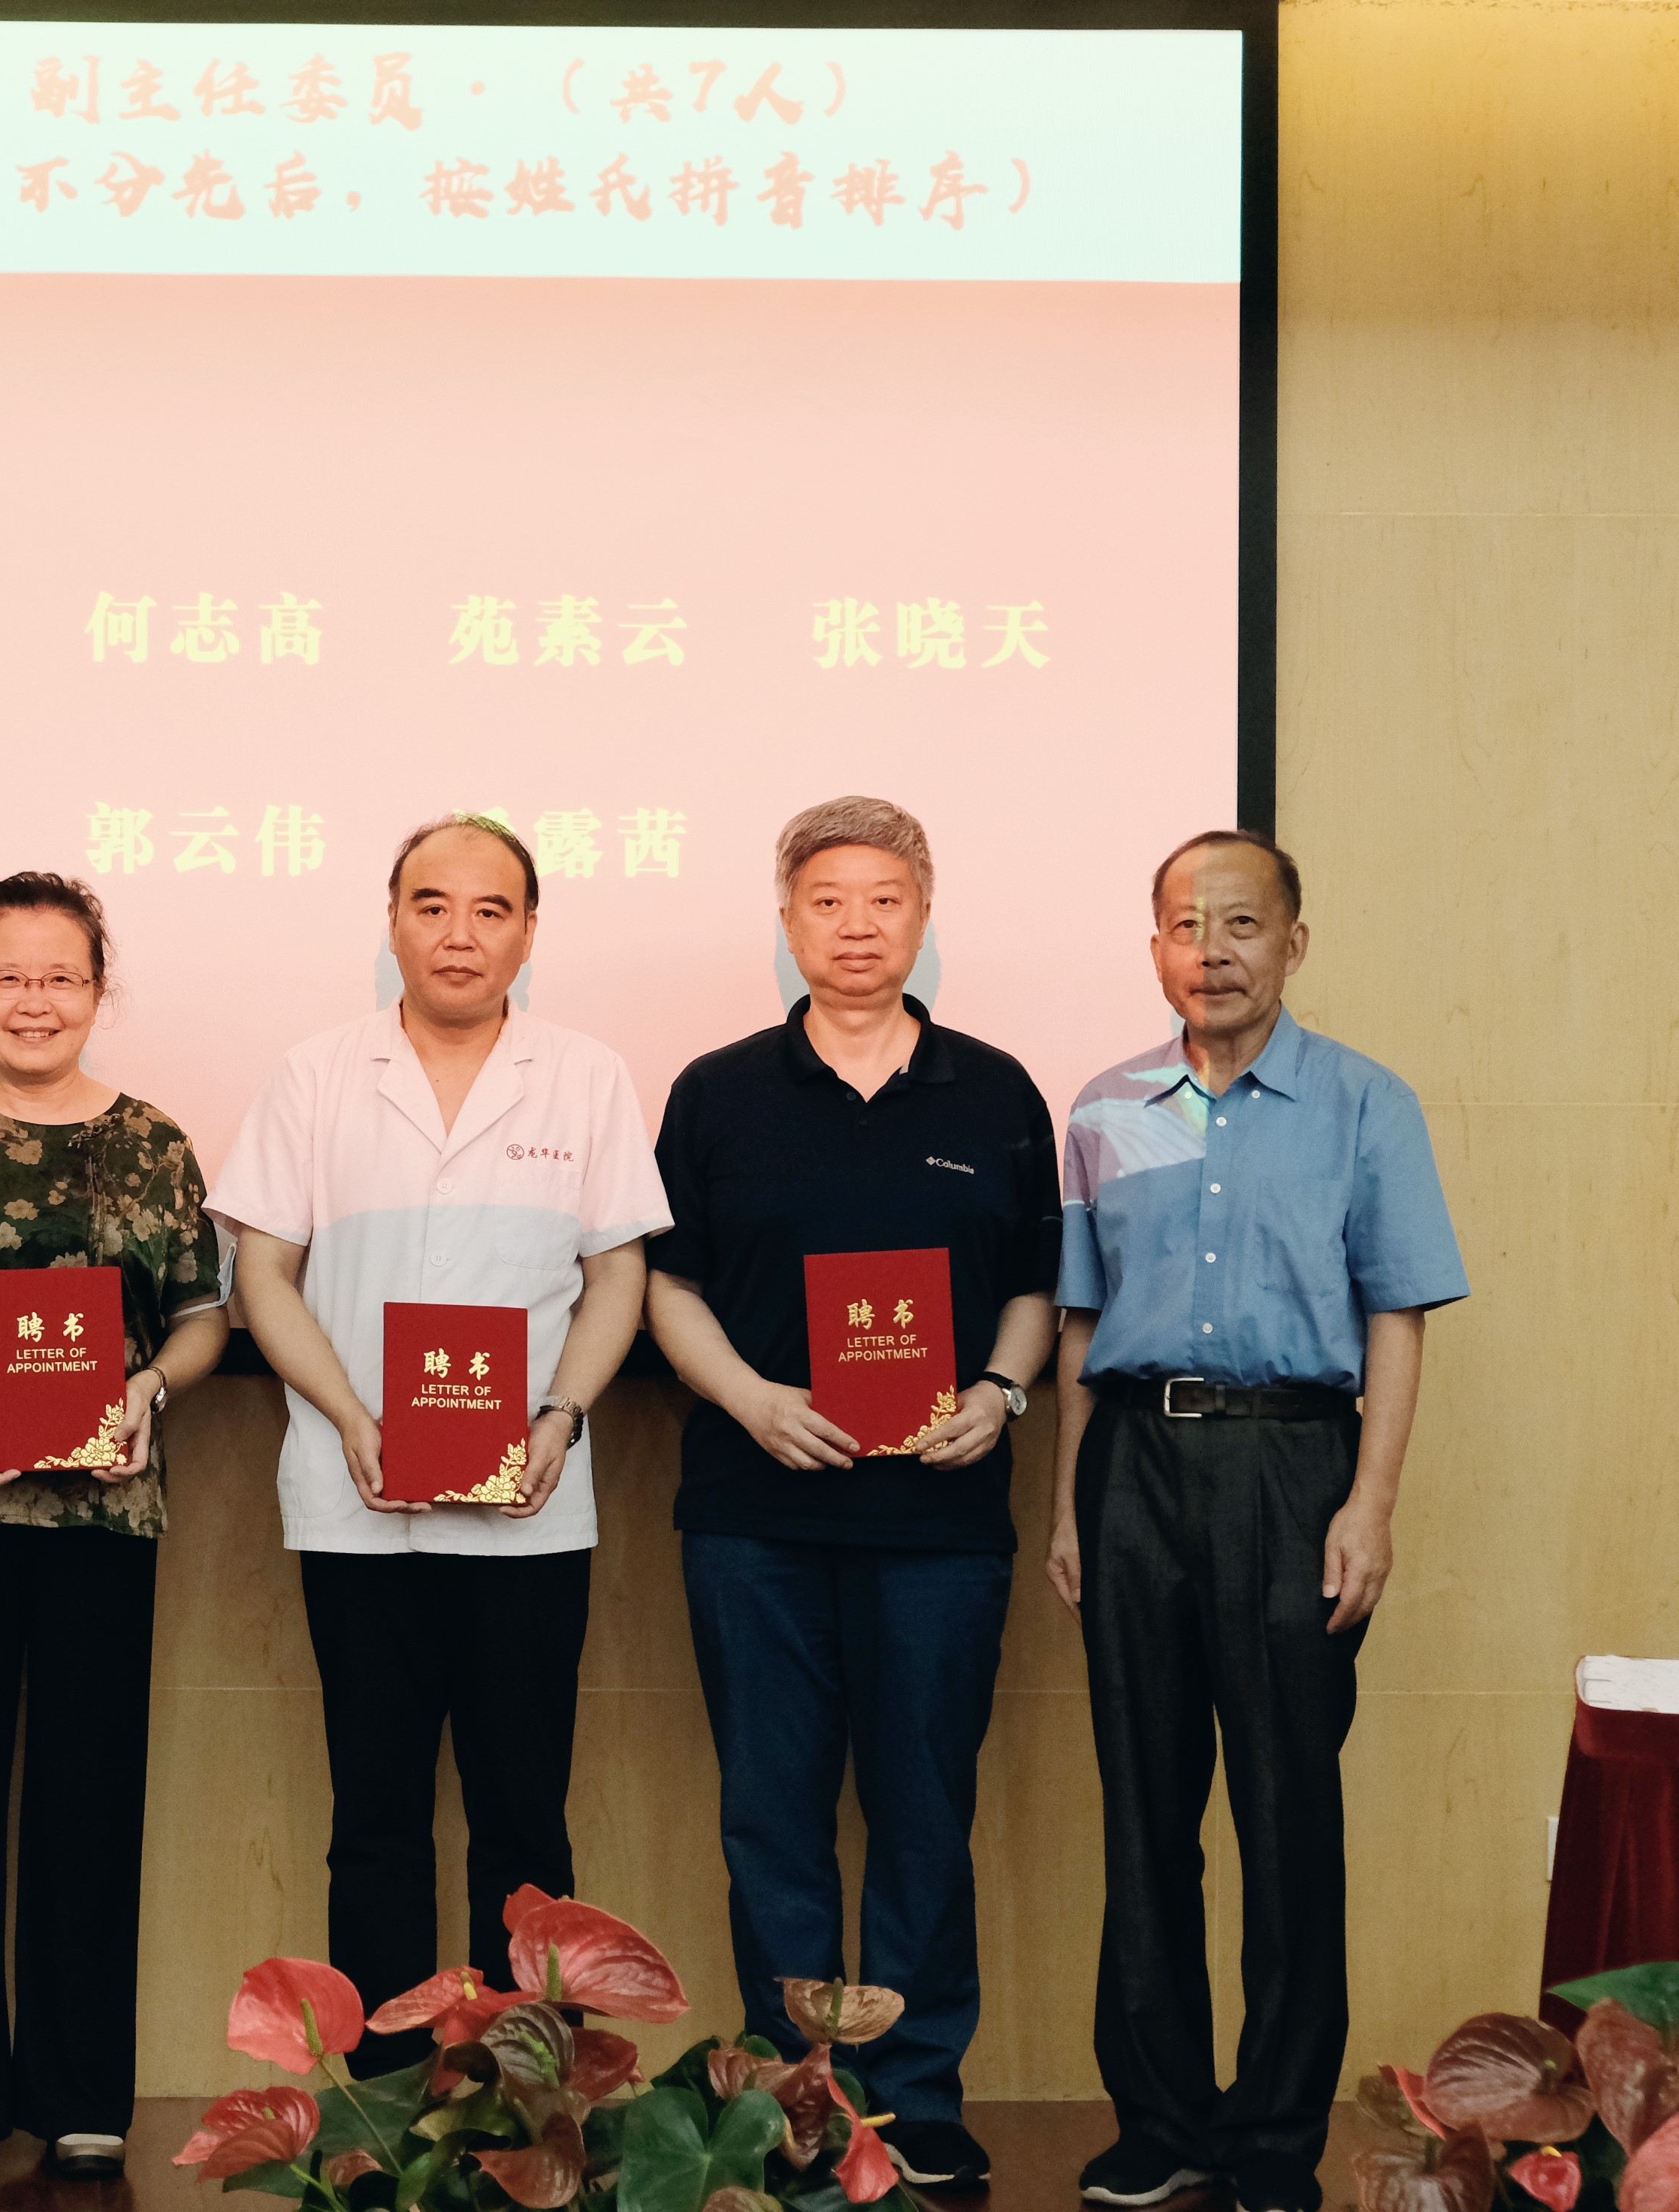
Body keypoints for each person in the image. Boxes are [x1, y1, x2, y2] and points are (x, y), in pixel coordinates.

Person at [640, 798, 1060, 2189]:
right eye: (827, 900)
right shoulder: (719, 1092)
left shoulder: (995, 1092)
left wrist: (998, 1393)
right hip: (755, 1516)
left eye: (885, 899)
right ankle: (795, 2097)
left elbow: (1034, 1287)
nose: (857, 925)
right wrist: (750, 1399)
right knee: (773, 1816)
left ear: (924, 915)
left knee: (926, 1811)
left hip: (939, 1523)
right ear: (787, 921)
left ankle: (920, 2092)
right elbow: (670, 1284)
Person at [215, 814, 668, 2077]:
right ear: (393, 921)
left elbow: (618, 1275)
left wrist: (560, 1415)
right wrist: (352, 1418)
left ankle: (523, 2102)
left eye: (489, 909)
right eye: (431, 905)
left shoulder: (585, 1075)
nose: (458, 933)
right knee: (375, 1818)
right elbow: (263, 1273)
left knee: (525, 1823)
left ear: (529, 931)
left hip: (530, 1507)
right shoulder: (317, 1073)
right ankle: (383, 2101)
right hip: (356, 1502)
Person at [1052, 832, 1465, 2212]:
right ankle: (1161, 2123)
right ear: (1154, 948)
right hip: (1133, 1470)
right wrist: (1067, 1507)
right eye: (1185, 925)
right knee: (1144, 1811)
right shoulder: (1105, 1107)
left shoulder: (1364, 1104)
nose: (1211, 951)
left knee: (1289, 1814)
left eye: (1240, 924)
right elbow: (1082, 1322)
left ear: (1293, 942)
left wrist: (1370, 1505)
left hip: (1296, 1469)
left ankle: (1278, 2136)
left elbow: (1397, 1315)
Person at [0, 872, 229, 2181]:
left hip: (105, 1510)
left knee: (89, 1797)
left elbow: (202, 1318)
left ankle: (81, 2089)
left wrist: (149, 1387)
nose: (34, 1001)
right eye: (7, 977)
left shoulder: (155, 1144)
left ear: (98, 990)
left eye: (60, 977)